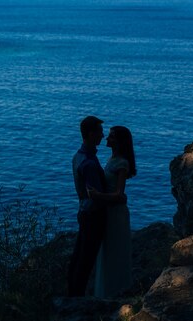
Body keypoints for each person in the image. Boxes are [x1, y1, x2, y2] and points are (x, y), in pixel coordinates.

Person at [67, 116, 126, 297]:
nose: (103, 136)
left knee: (79, 256)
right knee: (87, 259)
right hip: (93, 216)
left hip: (84, 212)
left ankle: (71, 292)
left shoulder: (79, 156)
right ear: (91, 134)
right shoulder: (90, 163)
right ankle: (76, 298)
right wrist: (118, 198)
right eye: (100, 132)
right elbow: (96, 197)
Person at [94, 126, 136, 298]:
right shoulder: (113, 159)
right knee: (108, 252)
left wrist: (98, 196)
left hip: (116, 214)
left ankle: (114, 292)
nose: (106, 139)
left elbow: (119, 195)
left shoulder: (122, 164)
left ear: (118, 141)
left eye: (110, 137)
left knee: (115, 253)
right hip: (109, 212)